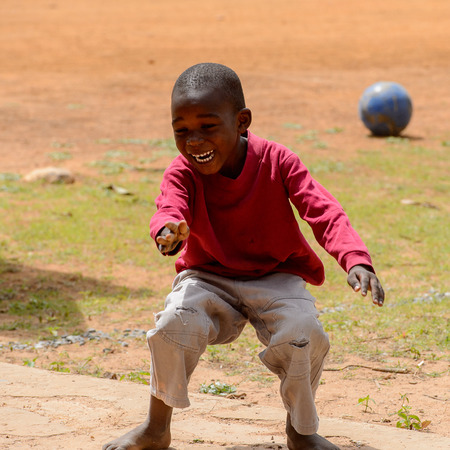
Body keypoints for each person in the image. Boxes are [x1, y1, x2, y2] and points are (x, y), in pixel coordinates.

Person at [103, 62, 385, 450]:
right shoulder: (182, 172)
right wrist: (168, 232)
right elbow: (168, 209)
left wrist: (355, 259)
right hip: (208, 276)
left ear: (241, 121)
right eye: (181, 131)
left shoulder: (278, 160)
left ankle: (301, 432)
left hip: (276, 275)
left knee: (304, 331)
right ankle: (156, 428)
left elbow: (322, 210)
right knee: (172, 323)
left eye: (208, 126)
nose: (194, 141)